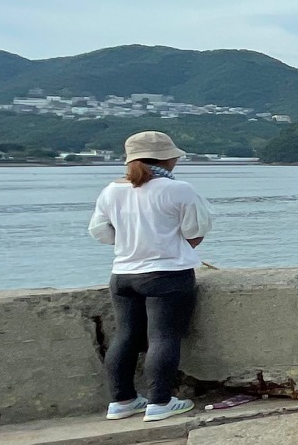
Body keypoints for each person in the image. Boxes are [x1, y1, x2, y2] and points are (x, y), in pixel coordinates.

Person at [88, 131, 214, 421]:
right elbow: (195, 231)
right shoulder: (178, 189)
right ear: (168, 159)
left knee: (126, 336)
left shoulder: (111, 191)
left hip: (123, 275)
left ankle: (121, 401)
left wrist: (130, 241)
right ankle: (160, 402)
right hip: (167, 275)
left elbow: (99, 231)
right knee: (163, 337)